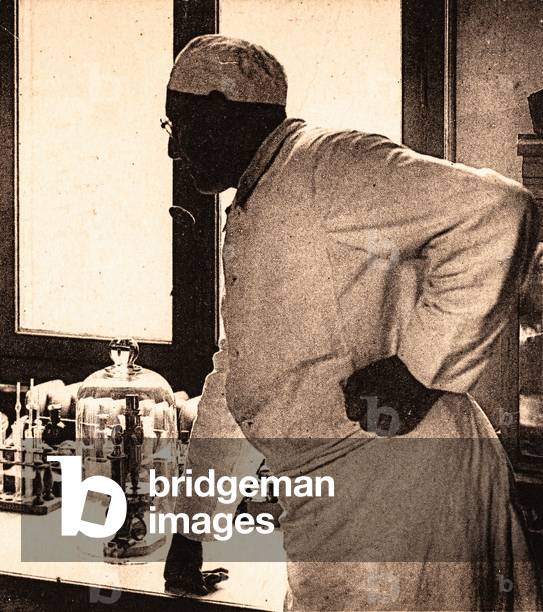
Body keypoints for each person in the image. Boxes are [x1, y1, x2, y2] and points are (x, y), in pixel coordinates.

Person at [162, 34, 542, 609]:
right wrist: (193, 529)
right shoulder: (257, 200)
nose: (173, 151)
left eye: (177, 125)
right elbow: (243, 378)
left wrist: (418, 370)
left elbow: (499, 211)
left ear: (221, 112)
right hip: (341, 499)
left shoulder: (329, 164)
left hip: (401, 489)